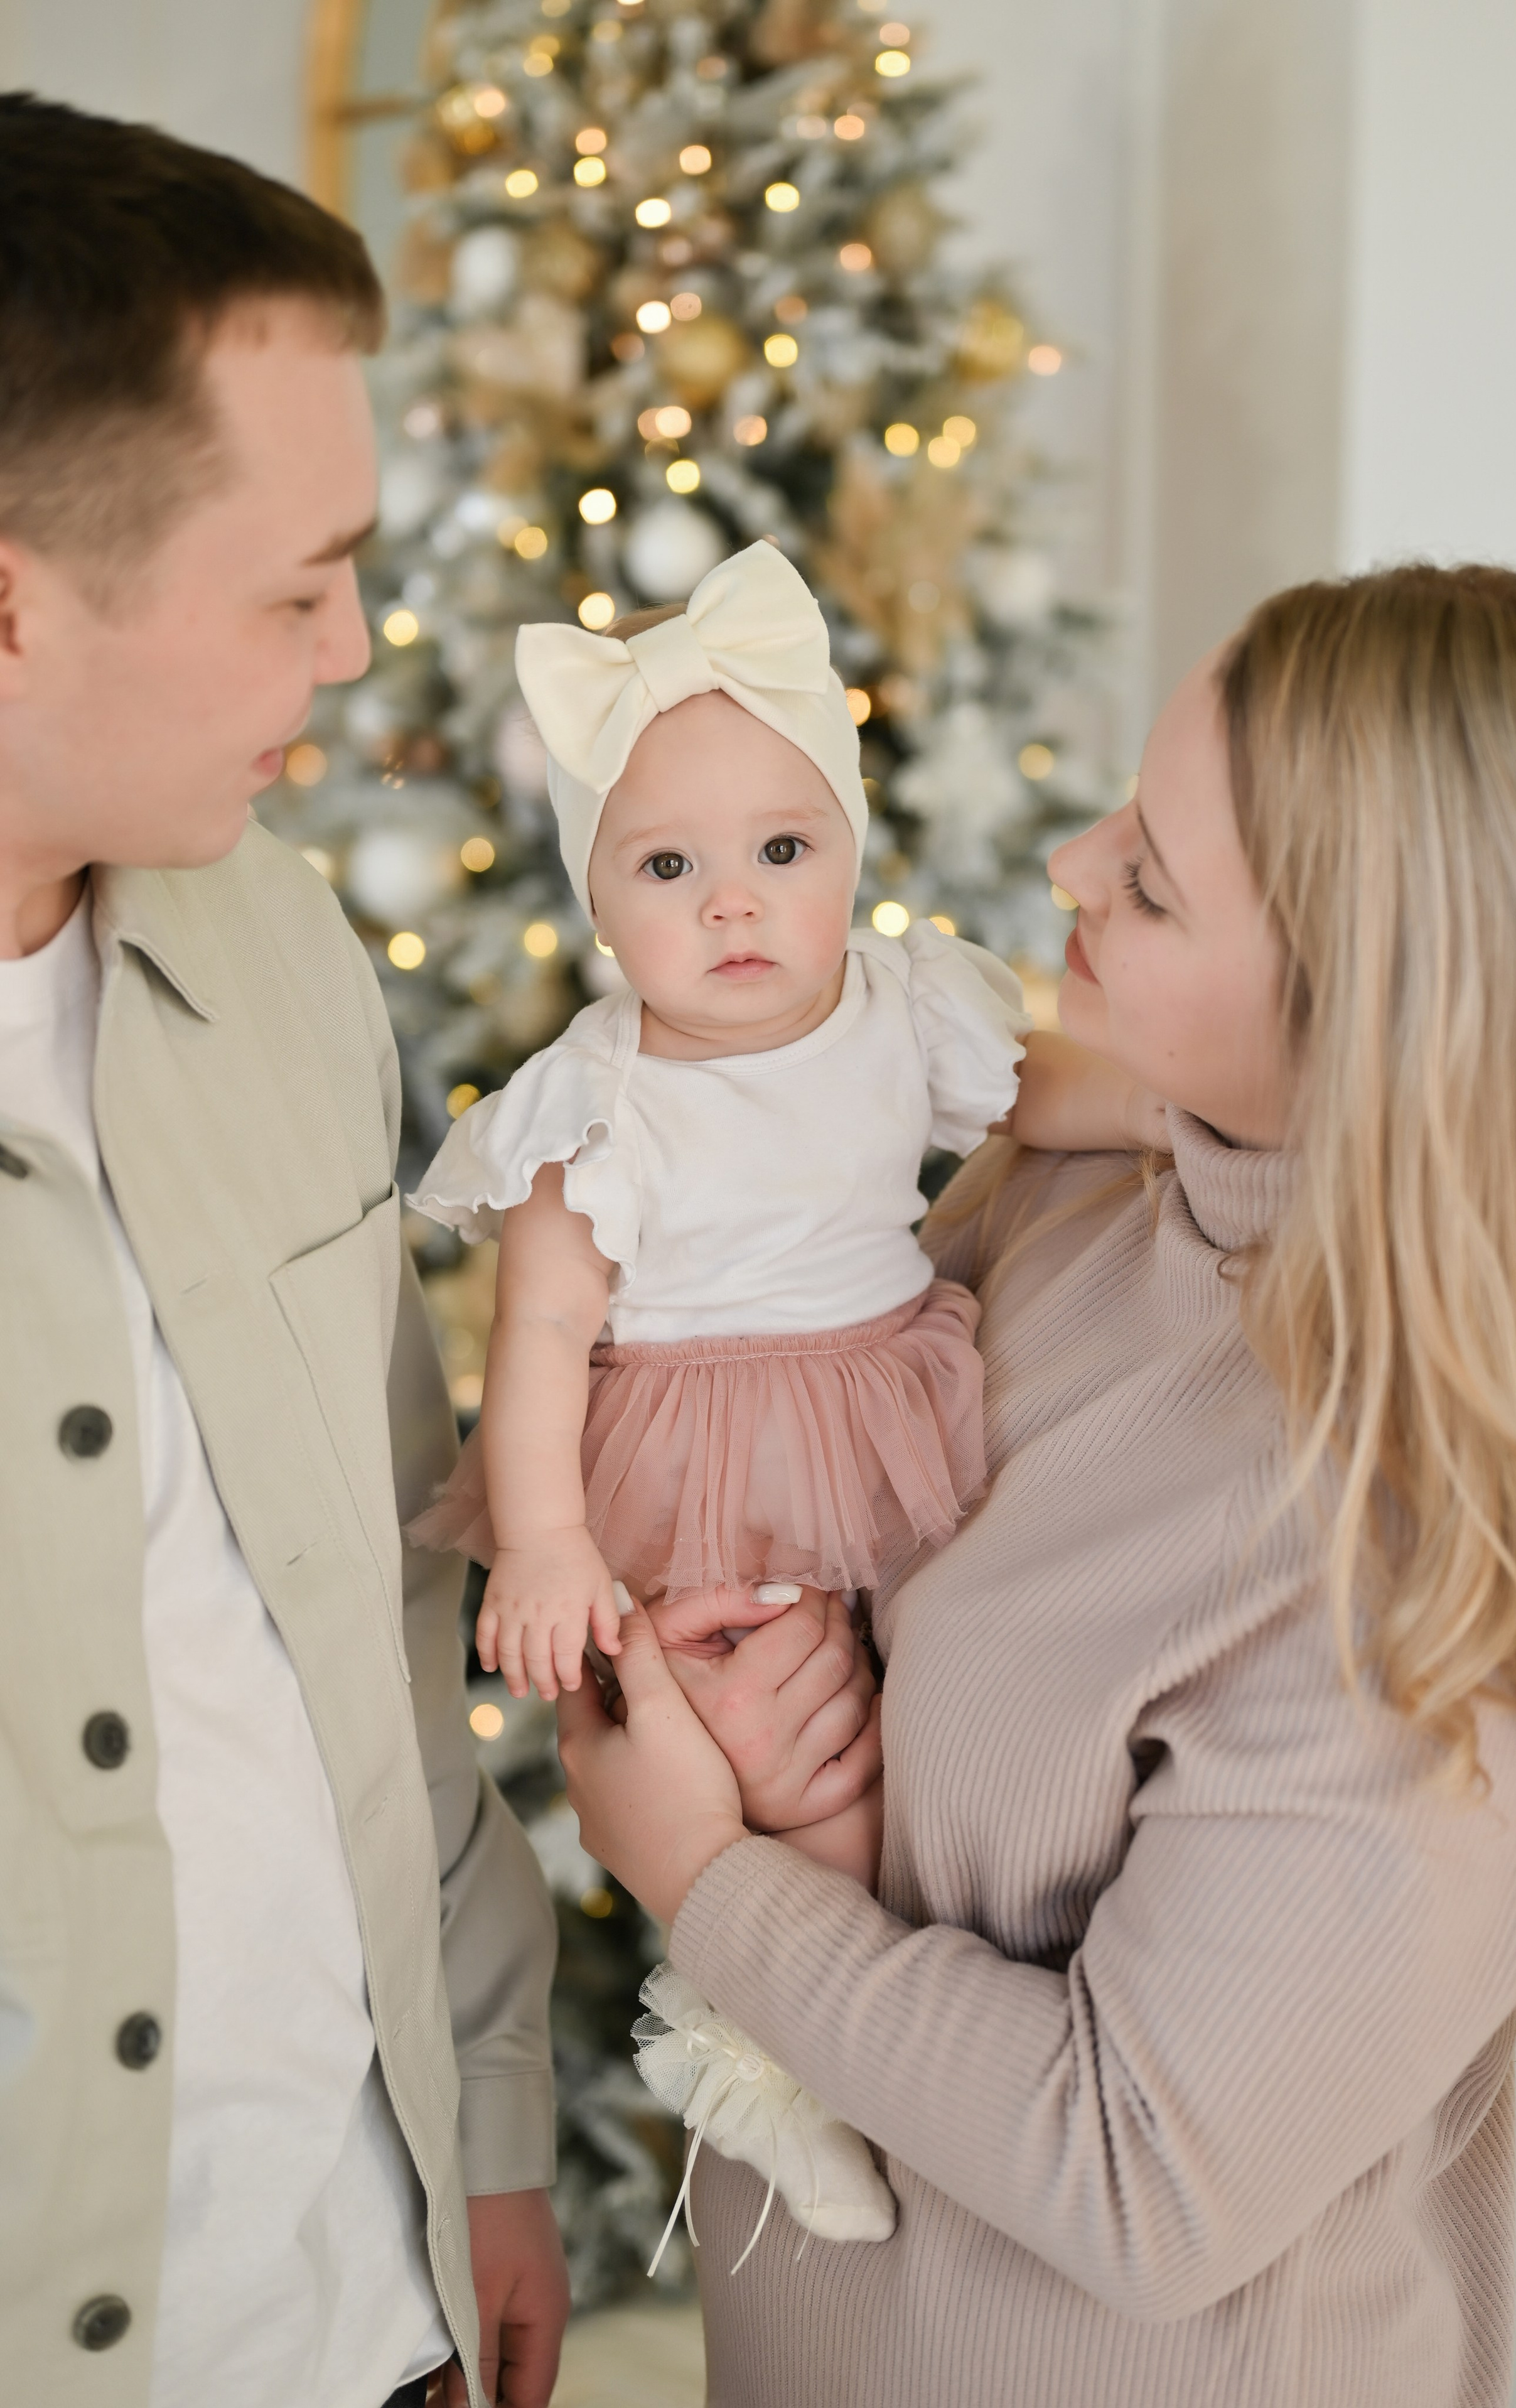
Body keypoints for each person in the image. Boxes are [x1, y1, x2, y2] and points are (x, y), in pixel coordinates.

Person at [559, 562, 1516, 2407]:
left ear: (1380, 1004)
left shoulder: (1423, 1551)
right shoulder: (1078, 1196)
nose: (1068, 866)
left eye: (1152, 878)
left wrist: (707, 1873)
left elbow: (1141, 2179)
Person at [0, 96, 566, 2408]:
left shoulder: (289, 948)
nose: (354, 652)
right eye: (294, 581)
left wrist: (489, 2120)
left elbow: (378, 1627)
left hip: (361, 2315)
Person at [404, 538, 1161, 2243]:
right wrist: (540, 1542)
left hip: (892, 1410)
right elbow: (536, 1342)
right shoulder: (594, 1102)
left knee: (940, 1720)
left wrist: (1215, 1117)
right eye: (669, 864)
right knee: (788, 1748)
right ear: (601, 907)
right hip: (703, 1456)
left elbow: (1059, 1091)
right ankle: (781, 2067)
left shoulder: (904, 1009)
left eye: (781, 849)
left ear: (850, 855)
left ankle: (939, 2022)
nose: (732, 900)